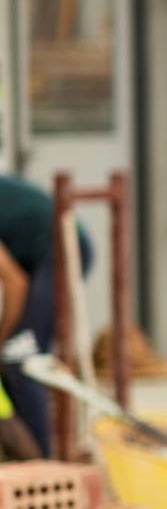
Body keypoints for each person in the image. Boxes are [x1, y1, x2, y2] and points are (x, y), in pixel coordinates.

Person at [0, 176, 91, 457]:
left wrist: (2, 337)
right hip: (40, 254)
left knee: (19, 357)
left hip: (60, 249)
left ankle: (42, 468)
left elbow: (15, 284)